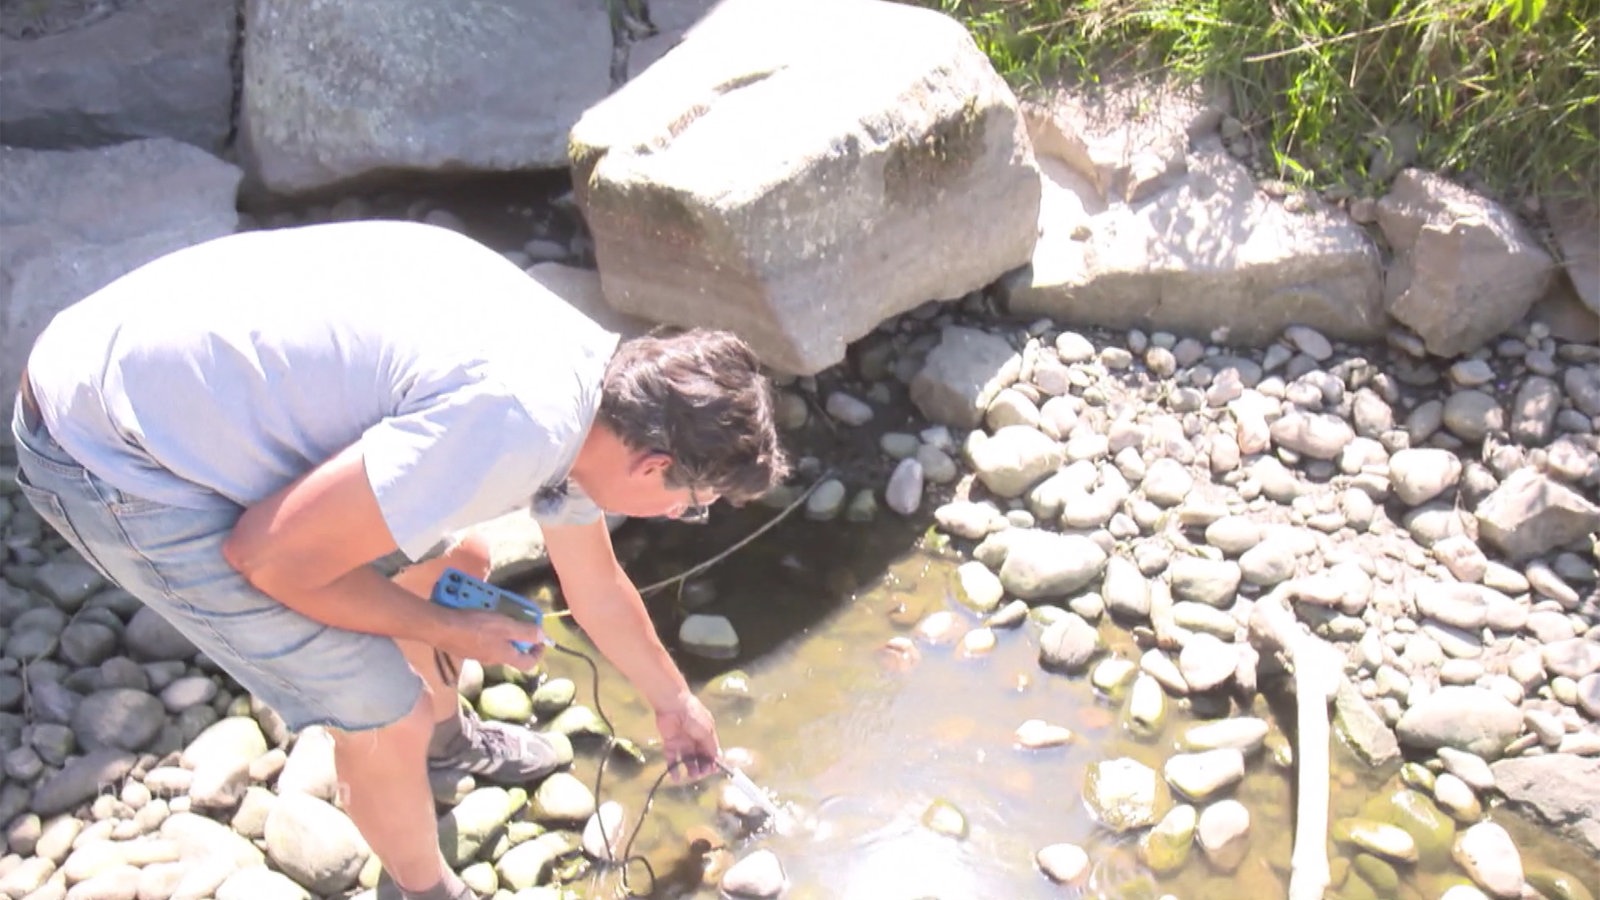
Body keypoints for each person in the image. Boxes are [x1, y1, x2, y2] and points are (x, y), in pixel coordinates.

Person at [9, 219, 790, 900]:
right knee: (387, 707)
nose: (689, 517)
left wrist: (671, 702)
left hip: (128, 363)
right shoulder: (513, 423)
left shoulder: (594, 389)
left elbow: (594, 582)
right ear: (654, 466)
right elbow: (268, 559)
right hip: (105, 455)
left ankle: (447, 750)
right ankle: (423, 887)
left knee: (465, 561)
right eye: (696, 506)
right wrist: (454, 636)